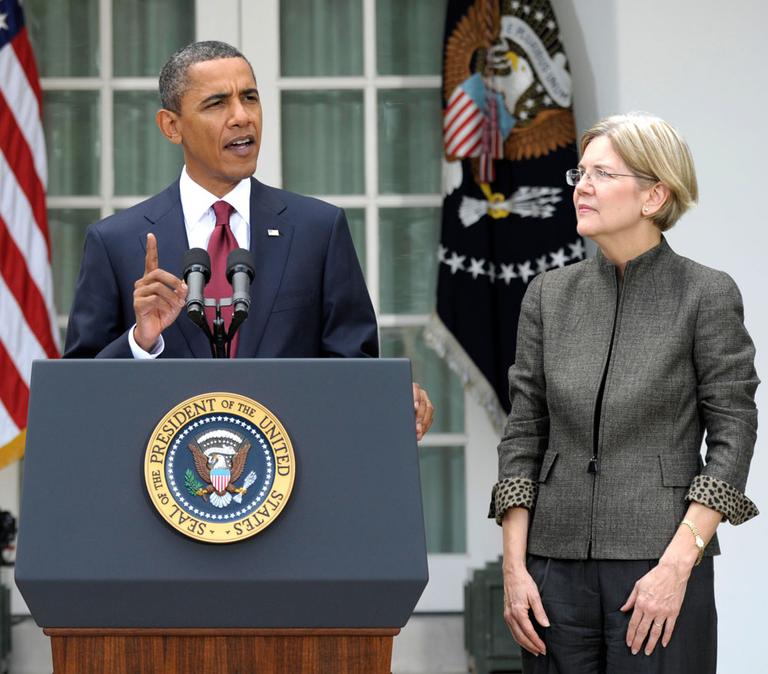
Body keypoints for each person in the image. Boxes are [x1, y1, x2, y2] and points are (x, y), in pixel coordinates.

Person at [490, 112, 758, 672]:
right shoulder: (547, 295)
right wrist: (514, 569)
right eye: (580, 173)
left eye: (602, 174)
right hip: (550, 571)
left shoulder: (706, 294)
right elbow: (523, 434)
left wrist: (678, 565)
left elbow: (733, 437)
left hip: (657, 563)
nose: (582, 186)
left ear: (654, 194)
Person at [63, 40, 433, 439]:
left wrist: (387, 398)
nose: (242, 117)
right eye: (217, 103)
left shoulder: (318, 230)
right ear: (172, 126)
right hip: (160, 487)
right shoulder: (116, 242)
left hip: (293, 485)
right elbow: (74, 399)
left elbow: (352, 369)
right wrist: (140, 342)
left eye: (250, 98)